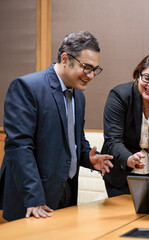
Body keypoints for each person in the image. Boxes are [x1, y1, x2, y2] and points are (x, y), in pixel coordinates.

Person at [0, 31, 114, 221]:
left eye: (95, 69)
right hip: (33, 199)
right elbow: (19, 148)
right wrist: (34, 198)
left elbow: (74, 138)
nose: (91, 75)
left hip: (67, 195)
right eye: (86, 67)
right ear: (64, 58)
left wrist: (88, 158)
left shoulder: (79, 96)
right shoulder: (27, 87)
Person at [101, 53, 149, 197]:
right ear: (138, 74)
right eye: (147, 78)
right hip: (121, 174)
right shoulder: (120, 96)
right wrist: (129, 159)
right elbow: (113, 140)